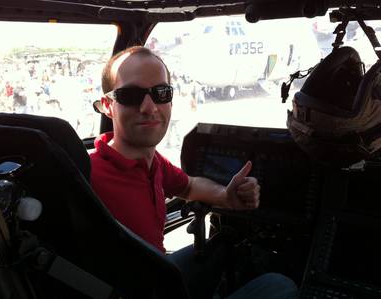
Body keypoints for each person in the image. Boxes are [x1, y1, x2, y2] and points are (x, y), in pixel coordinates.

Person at [90, 46, 298, 299]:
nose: (149, 107)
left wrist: (225, 195)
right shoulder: (89, 177)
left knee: (224, 244)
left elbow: (188, 186)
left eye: (160, 93)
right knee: (280, 285)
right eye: (131, 95)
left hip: (156, 277)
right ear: (107, 106)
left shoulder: (152, 162)